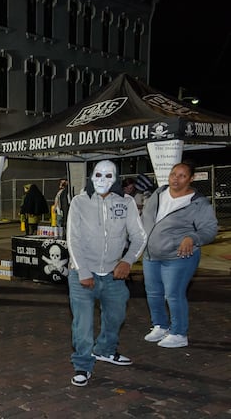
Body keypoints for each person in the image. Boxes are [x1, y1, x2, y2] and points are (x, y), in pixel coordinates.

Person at [65, 160, 147, 387]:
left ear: (116, 178)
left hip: (113, 274)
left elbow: (139, 236)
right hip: (82, 275)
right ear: (92, 176)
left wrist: (128, 261)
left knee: (116, 316)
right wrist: (83, 270)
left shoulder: (127, 202)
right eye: (98, 174)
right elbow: (73, 238)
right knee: (83, 325)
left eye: (108, 175)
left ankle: (105, 349)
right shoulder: (79, 202)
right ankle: (82, 364)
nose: (102, 179)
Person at [140, 162, 218, 349]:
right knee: (153, 293)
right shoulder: (159, 194)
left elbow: (210, 229)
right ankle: (160, 325)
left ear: (191, 179)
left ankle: (179, 333)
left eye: (182, 175)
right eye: (174, 174)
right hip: (151, 255)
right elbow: (145, 218)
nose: (176, 178)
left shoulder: (198, 202)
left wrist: (192, 237)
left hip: (178, 257)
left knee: (173, 295)